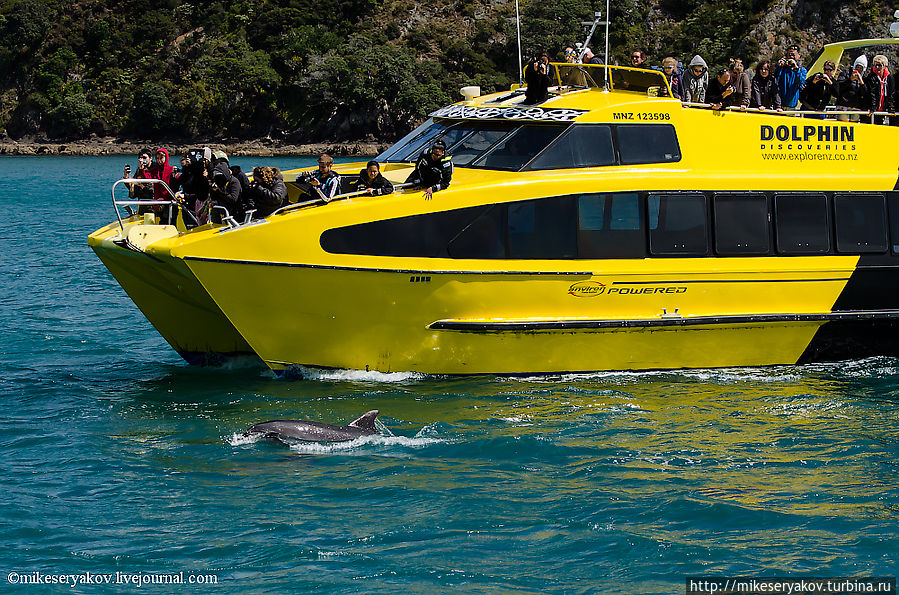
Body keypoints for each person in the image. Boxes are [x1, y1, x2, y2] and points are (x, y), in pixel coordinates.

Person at [834, 55, 867, 121]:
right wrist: (850, 80)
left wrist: (861, 83)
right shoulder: (846, 73)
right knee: (843, 126)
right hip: (843, 106)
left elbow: (865, 93)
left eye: (861, 68)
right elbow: (839, 88)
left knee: (854, 128)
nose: (858, 69)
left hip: (855, 108)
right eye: (857, 67)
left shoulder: (864, 78)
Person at [775, 45, 807, 110]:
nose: (791, 57)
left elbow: (800, 82)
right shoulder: (783, 68)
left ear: (799, 55)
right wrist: (779, 67)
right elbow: (775, 80)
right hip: (779, 105)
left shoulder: (802, 70)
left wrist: (796, 69)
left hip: (792, 106)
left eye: (793, 55)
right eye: (789, 55)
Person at [865, 54, 894, 125]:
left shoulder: (889, 77)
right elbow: (871, 93)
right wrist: (873, 107)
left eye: (880, 65)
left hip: (883, 109)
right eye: (875, 65)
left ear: (884, 66)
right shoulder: (871, 77)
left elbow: (891, 92)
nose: (877, 67)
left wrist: (891, 107)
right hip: (873, 109)